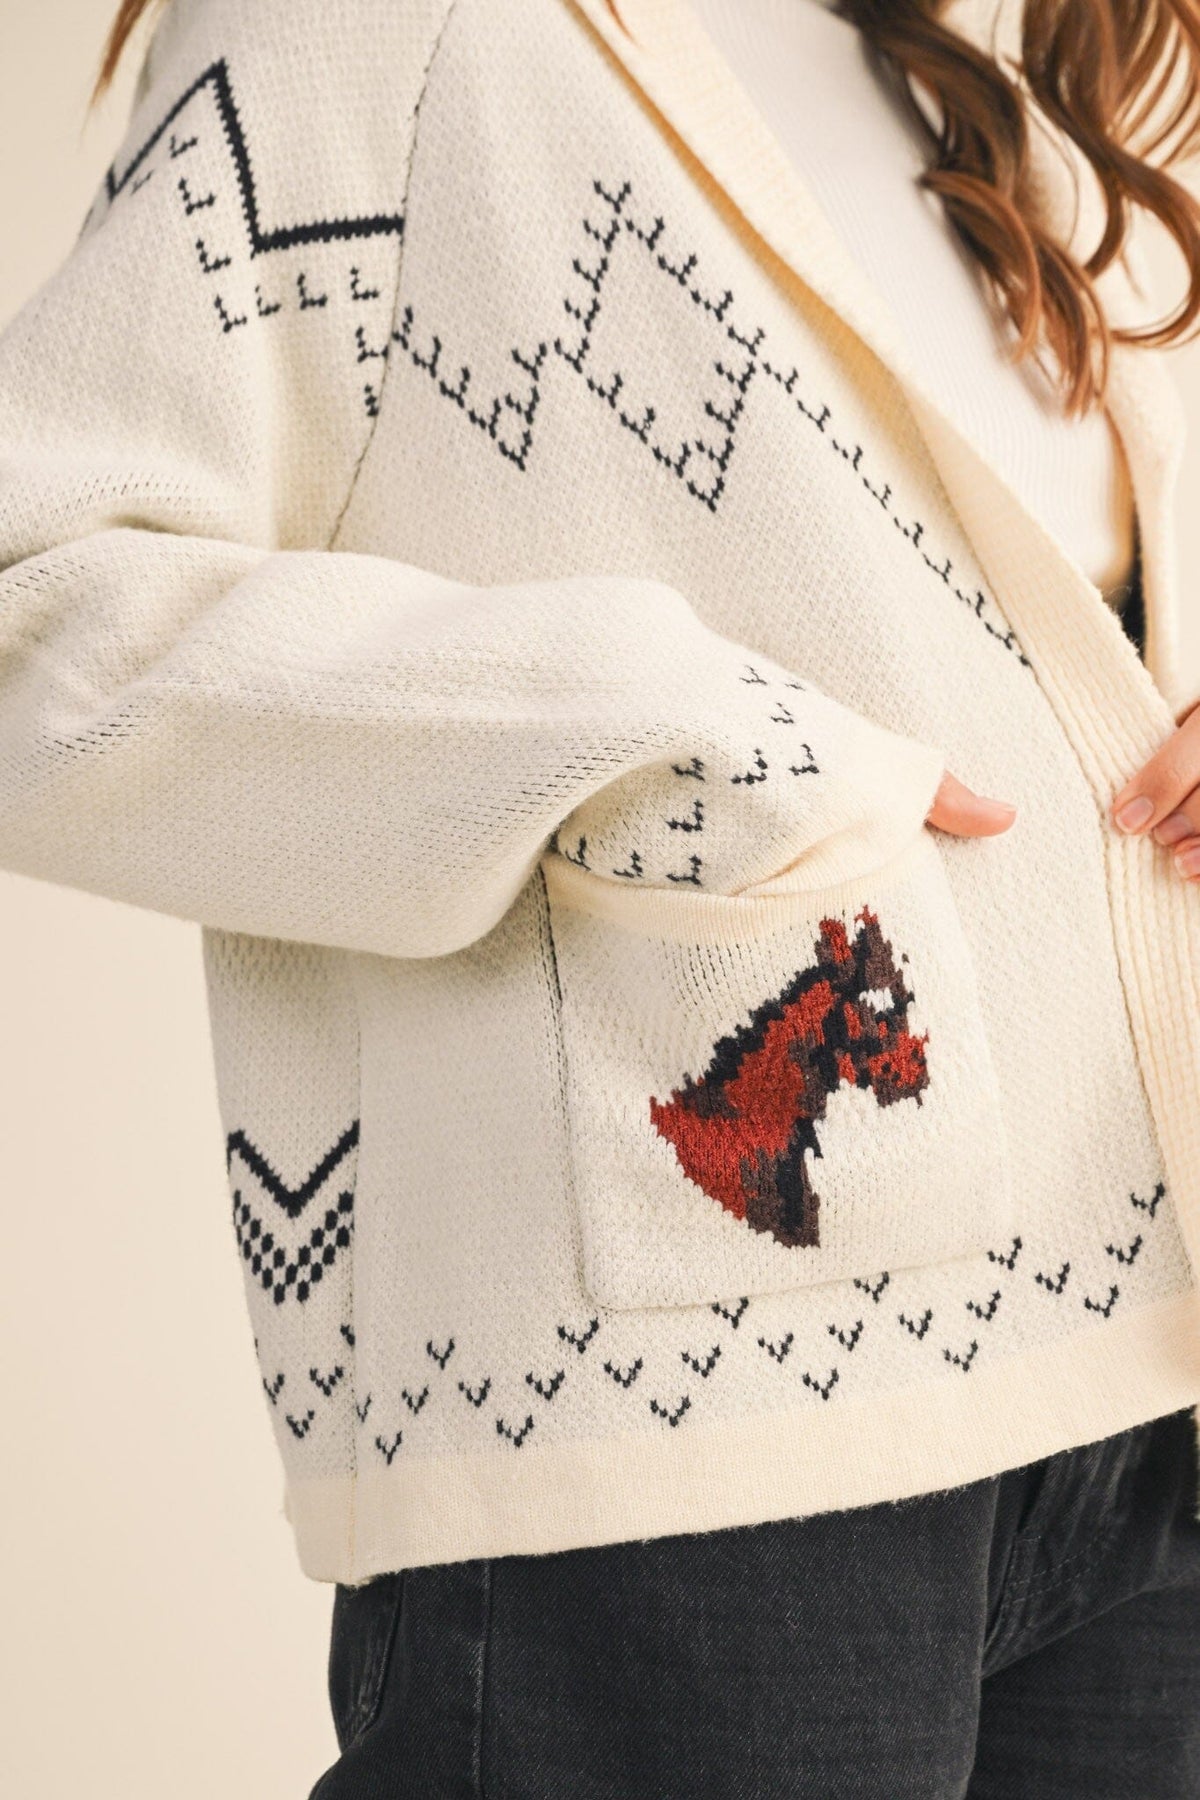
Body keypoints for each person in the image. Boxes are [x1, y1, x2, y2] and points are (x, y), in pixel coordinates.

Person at [6, 0, 1200, 1791]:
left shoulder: (982, 52)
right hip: (697, 1457)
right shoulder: (377, 35)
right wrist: (664, 732)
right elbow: (33, 591)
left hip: (1147, 1399)